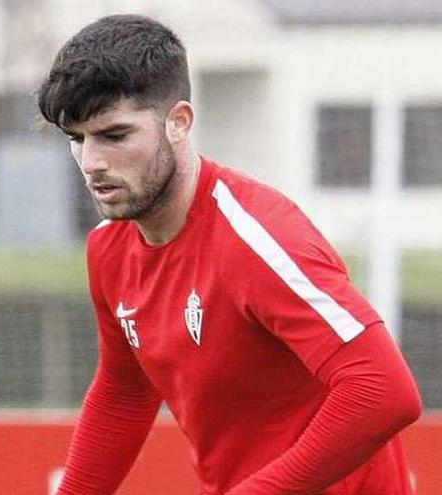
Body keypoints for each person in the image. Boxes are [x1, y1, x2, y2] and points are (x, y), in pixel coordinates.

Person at [37, 14, 422, 495]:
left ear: (178, 123)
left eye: (115, 136)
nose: (92, 162)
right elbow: (124, 392)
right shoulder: (109, 249)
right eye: (78, 139)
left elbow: (384, 392)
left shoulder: (256, 237)